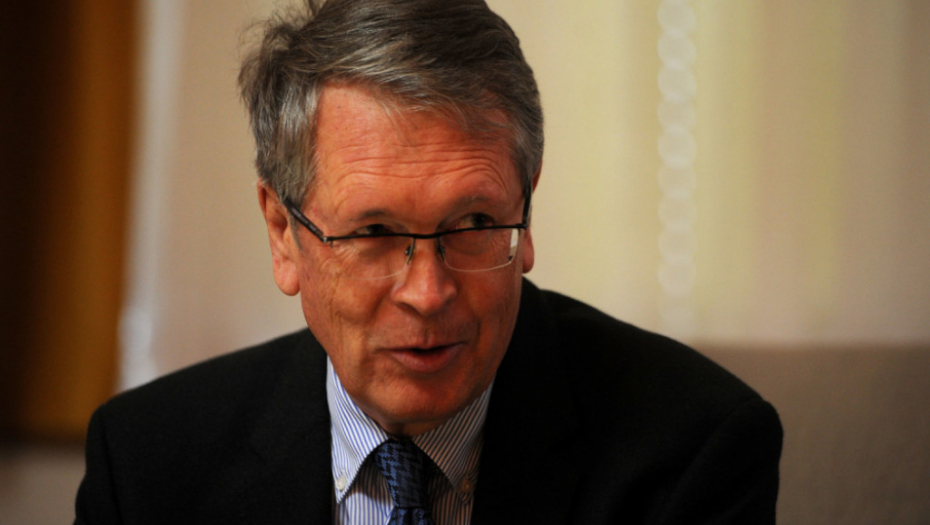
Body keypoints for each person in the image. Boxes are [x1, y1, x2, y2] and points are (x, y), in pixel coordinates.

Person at [74, 0, 782, 523]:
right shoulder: (147, 464)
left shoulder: (692, 451)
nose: (428, 291)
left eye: (473, 223)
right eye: (375, 231)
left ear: (526, 212)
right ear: (283, 233)